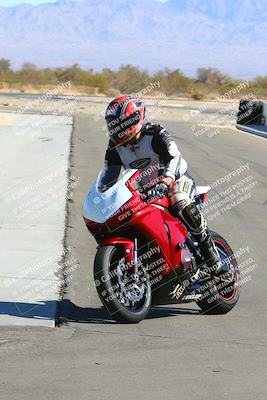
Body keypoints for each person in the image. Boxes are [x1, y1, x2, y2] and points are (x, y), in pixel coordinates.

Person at [99, 95, 221, 274]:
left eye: (122, 123)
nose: (118, 129)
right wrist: (102, 194)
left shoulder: (156, 133)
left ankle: (208, 249)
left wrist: (166, 181)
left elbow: (174, 157)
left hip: (176, 181)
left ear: (136, 118)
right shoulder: (114, 147)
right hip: (146, 191)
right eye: (114, 124)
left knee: (179, 200)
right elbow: (109, 174)